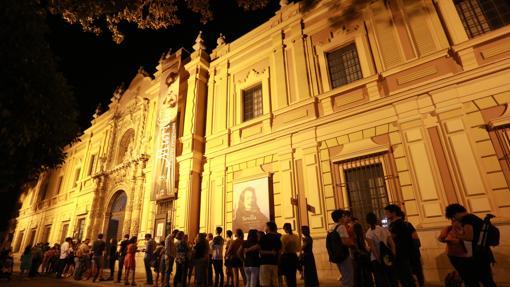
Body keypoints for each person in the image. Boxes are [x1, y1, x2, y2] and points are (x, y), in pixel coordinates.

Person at [445, 203, 496, 287]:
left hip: (479, 255)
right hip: (483, 253)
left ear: (455, 214)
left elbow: (469, 237)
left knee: (480, 281)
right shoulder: (473, 217)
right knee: (486, 280)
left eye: (453, 217)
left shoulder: (467, 219)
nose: (455, 219)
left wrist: (455, 236)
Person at [438, 216, 477, 287]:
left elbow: (469, 239)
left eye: (456, 221)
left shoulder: (466, 228)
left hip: (466, 255)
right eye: (453, 221)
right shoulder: (448, 228)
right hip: (454, 256)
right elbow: (441, 238)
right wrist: (444, 238)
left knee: (469, 277)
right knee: (465, 276)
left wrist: (457, 238)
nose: (454, 222)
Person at [384, 204, 416, 287]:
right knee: (403, 277)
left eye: (387, 212)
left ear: (393, 213)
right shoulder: (393, 224)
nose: (386, 214)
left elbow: (391, 237)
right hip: (398, 254)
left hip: (401, 254)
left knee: (406, 276)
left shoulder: (399, 223)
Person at [365, 212, 397, 287]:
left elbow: (373, 248)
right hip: (387, 257)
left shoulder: (369, 233)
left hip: (376, 259)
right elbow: (392, 244)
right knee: (391, 277)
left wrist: (379, 259)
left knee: (381, 280)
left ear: (367, 222)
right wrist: (393, 254)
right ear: (376, 220)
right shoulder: (384, 230)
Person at [330, 209, 354, 287]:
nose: (345, 218)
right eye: (343, 216)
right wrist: (353, 243)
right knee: (348, 277)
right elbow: (345, 241)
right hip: (344, 255)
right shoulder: (341, 227)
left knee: (344, 275)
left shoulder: (331, 228)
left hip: (336, 254)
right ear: (340, 218)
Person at [259, 222, 282, 287]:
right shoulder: (277, 238)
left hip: (265, 263)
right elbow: (280, 252)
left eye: (265, 226)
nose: (264, 228)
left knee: (265, 283)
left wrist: (269, 252)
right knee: (274, 283)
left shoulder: (263, 238)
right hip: (274, 263)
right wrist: (278, 262)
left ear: (268, 228)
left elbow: (260, 251)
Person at [352, 219, 373, 287]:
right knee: (366, 273)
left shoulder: (354, 239)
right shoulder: (362, 238)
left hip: (358, 258)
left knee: (360, 274)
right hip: (363, 257)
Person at [280, 223, 301, 287]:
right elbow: (298, 248)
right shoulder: (296, 236)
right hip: (294, 257)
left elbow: (282, 248)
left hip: (287, 257)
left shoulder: (284, 237)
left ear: (285, 229)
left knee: (287, 275)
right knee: (293, 275)